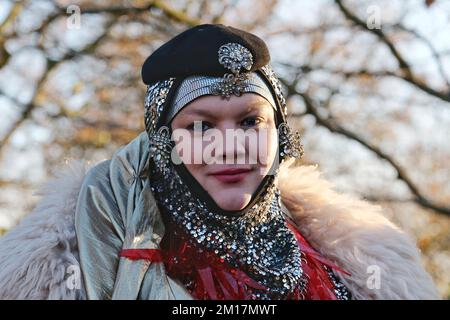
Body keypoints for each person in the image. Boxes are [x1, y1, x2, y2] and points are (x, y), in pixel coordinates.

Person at [0, 24, 439, 300]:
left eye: (251, 121)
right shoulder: (64, 265)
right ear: (162, 143)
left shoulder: (367, 262)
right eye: (201, 127)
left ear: (281, 135)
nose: (230, 145)